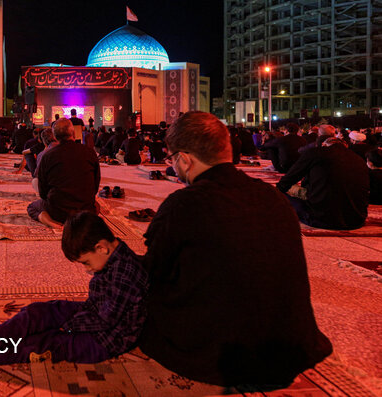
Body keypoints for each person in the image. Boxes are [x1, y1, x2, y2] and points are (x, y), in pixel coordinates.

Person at [139, 111, 332, 387]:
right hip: (291, 352)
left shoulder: (184, 204)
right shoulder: (273, 197)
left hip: (220, 359)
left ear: (184, 158)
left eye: (173, 160)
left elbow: (152, 275)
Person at [0, 212, 148, 371]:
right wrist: (67, 318)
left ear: (101, 247)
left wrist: (67, 325)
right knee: (38, 313)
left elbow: (105, 320)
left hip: (103, 340)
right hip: (92, 314)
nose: (87, 270)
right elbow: (96, 307)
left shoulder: (126, 274)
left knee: (46, 341)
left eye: (86, 262)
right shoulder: (112, 256)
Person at [278, 137, 369, 230]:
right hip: (357, 219)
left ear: (324, 145)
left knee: (284, 196)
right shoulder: (358, 159)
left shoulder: (316, 152)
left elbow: (286, 182)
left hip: (321, 218)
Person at [28, 119, 100, 228]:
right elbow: (95, 185)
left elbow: (43, 193)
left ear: (55, 137)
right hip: (85, 210)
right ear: (74, 133)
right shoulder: (90, 152)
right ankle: (82, 221)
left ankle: (50, 222)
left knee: (32, 207)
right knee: (97, 206)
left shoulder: (48, 156)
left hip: (58, 212)